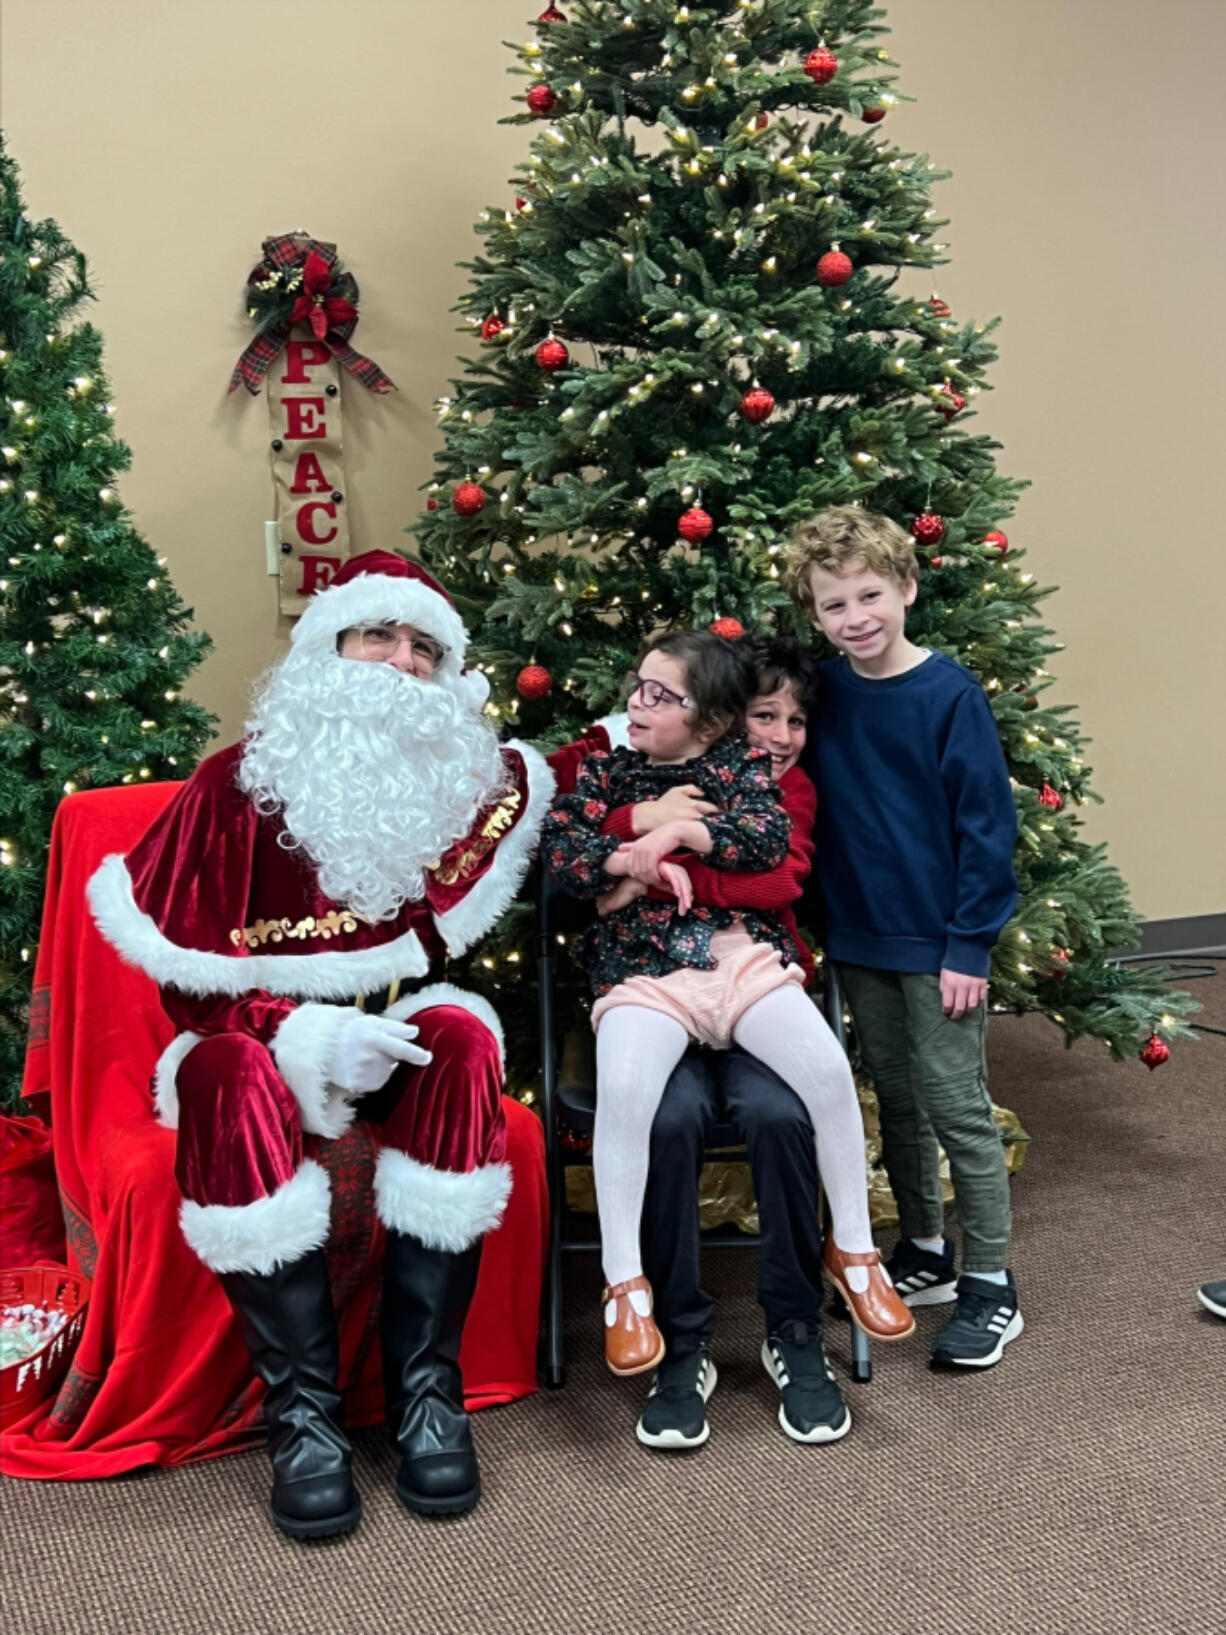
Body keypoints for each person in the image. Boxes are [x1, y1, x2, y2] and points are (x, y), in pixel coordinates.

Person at [87, 549, 554, 1537]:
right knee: (219, 1069)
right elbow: (191, 991)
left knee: (463, 1041)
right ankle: (303, 1415)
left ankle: (427, 1390)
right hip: (257, 1050)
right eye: (378, 635)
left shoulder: (457, 787)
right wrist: (307, 1038)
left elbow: (436, 957)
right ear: (326, 649)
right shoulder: (231, 789)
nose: (401, 660)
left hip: (393, 1038)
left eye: (425, 647)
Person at [540, 629, 914, 1390]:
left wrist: (680, 831)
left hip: (738, 961)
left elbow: (764, 840)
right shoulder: (606, 770)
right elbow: (562, 854)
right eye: (637, 685)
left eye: (660, 694)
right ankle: (626, 1286)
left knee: (827, 1073)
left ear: (709, 721)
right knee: (628, 1101)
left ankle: (854, 1251)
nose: (637, 703)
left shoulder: (739, 765)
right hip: (644, 973)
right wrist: (631, 843)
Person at [784, 506, 1023, 1370]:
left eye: (871, 594)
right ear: (814, 614)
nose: (856, 617)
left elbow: (987, 831)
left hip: (939, 943)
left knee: (957, 1104)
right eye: (834, 604)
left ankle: (992, 1281)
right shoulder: (821, 694)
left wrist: (970, 944)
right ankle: (925, 1251)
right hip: (858, 936)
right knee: (898, 1098)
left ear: (908, 588)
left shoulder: (948, 694)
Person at [627, 637, 859, 1448]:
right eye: (765, 715)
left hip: (757, 992)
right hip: (659, 992)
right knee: (667, 1121)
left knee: (782, 1117)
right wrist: (641, 824)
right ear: (724, 719)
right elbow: (565, 799)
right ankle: (680, 1340)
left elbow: (781, 881)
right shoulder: (662, 760)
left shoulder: (787, 788)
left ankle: (794, 1326)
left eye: (796, 719)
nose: (783, 733)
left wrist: (669, 868)